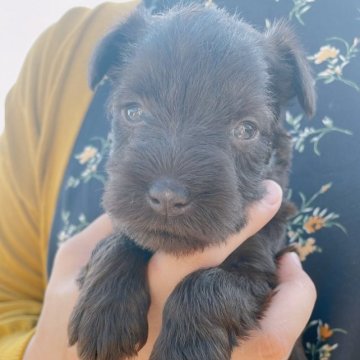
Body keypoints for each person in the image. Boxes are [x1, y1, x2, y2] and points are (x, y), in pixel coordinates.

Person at [1, 0, 359, 359]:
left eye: (244, 129)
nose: (169, 190)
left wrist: (206, 310)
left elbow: (253, 278)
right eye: (134, 112)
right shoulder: (66, 49)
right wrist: (44, 351)